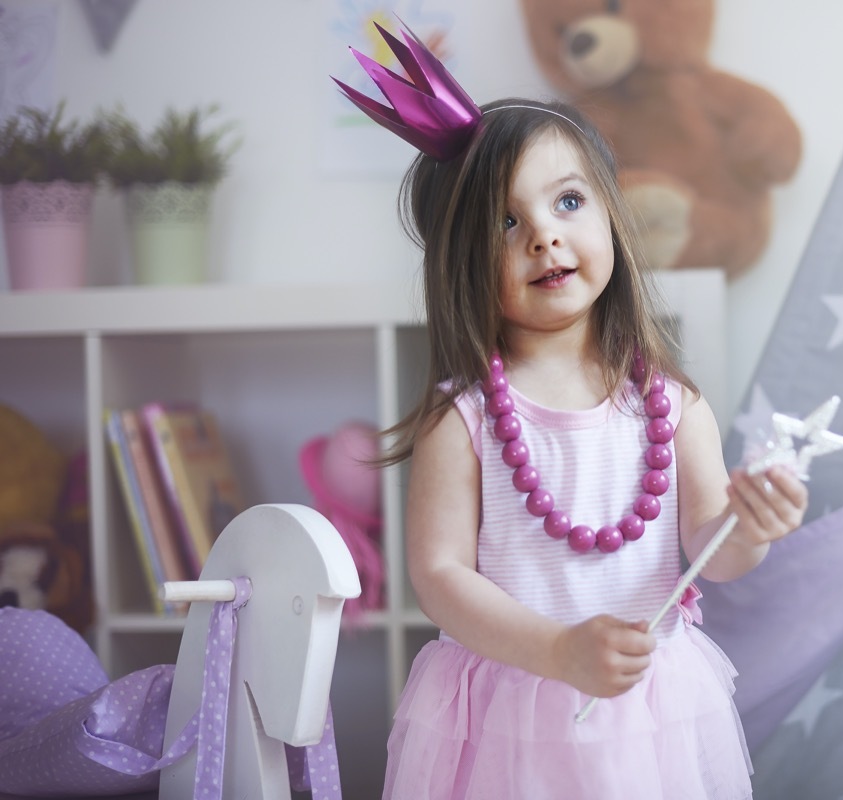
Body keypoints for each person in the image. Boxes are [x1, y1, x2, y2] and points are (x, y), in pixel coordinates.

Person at [339, 23, 808, 800]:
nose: (544, 236)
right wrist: (557, 652)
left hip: (648, 715)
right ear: (463, 259)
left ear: (611, 215)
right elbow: (440, 576)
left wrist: (750, 526)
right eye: (505, 221)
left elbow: (713, 554)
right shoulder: (463, 421)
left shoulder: (673, 404)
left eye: (567, 201)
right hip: (507, 717)